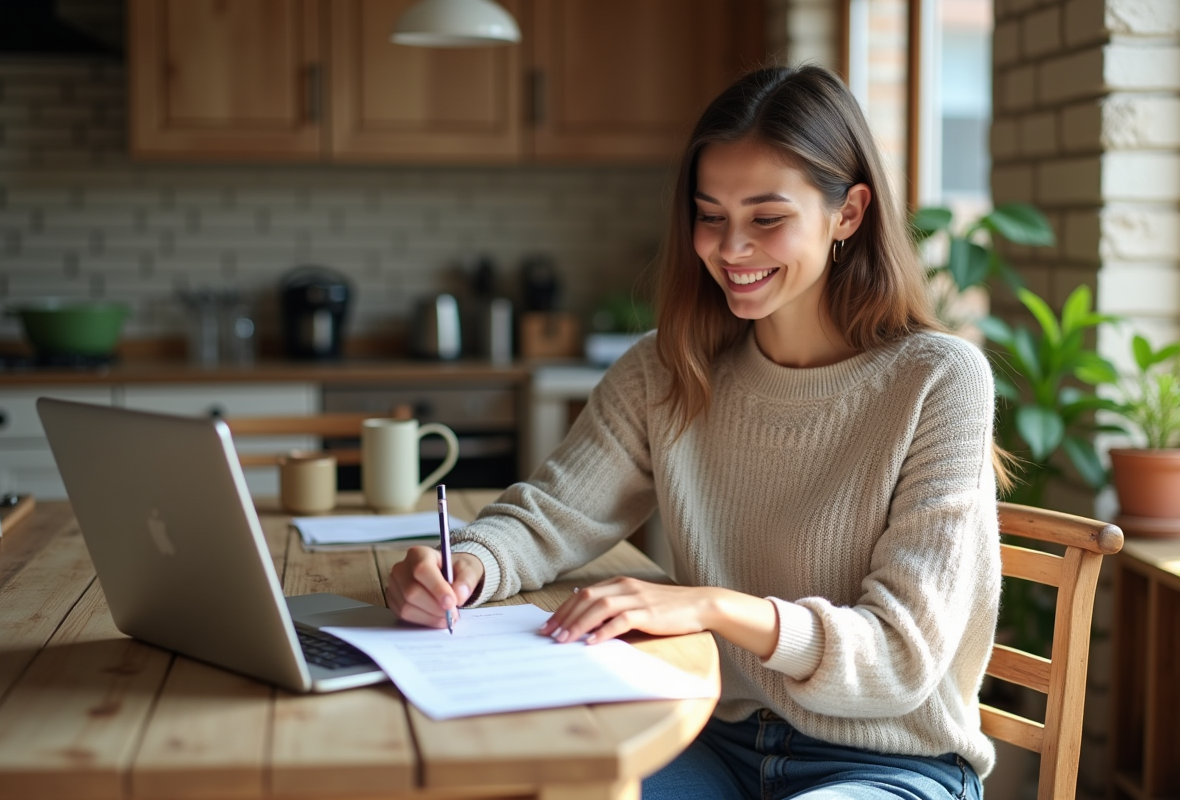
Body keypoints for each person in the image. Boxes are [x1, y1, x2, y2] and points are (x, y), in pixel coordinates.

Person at [386, 64, 1003, 800]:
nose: (730, 248)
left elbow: (901, 658)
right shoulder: (665, 368)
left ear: (849, 212)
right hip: (708, 737)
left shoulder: (939, 380)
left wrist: (710, 605)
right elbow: (555, 513)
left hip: (887, 763)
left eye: (766, 218)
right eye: (710, 215)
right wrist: (470, 566)